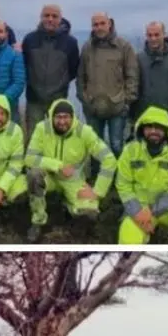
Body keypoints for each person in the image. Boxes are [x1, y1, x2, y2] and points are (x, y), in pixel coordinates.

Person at [25, 99, 116, 242]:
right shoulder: (42, 128)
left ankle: (69, 206)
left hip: (73, 180)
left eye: (66, 117)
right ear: (51, 117)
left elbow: (109, 159)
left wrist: (98, 191)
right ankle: (38, 220)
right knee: (33, 175)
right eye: (58, 117)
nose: (62, 122)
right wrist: (58, 165)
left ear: (72, 117)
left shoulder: (84, 132)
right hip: (48, 175)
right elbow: (29, 158)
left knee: (89, 214)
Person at [114, 107, 168, 244]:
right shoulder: (130, 151)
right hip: (139, 209)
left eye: (159, 127)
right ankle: (144, 232)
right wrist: (137, 212)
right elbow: (123, 185)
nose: (153, 131)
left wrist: (153, 210)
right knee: (128, 240)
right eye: (149, 127)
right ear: (141, 129)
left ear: (167, 130)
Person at [78, 12, 140, 156]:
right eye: (95, 24)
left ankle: (119, 177)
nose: (99, 27)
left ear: (109, 24)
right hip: (93, 106)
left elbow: (132, 75)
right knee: (94, 147)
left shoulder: (124, 46)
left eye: (102, 23)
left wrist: (127, 101)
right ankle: (95, 177)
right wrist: (84, 98)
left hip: (117, 107)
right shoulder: (87, 48)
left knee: (117, 146)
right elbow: (80, 75)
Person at [21, 5, 80, 131]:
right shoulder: (30, 39)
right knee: (33, 136)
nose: (50, 19)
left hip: (58, 98)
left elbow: (74, 69)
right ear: (41, 17)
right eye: (46, 16)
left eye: (54, 16)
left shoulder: (70, 42)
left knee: (57, 135)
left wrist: (61, 83)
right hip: (34, 99)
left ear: (60, 19)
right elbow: (24, 65)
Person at [131, 21, 168, 128]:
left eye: (157, 35)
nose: (153, 39)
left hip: (167, 115)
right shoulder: (138, 58)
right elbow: (132, 84)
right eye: (150, 35)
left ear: (164, 34)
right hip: (142, 115)